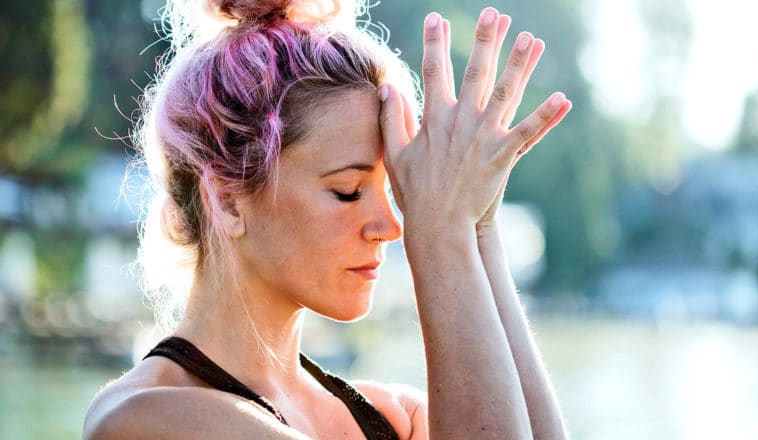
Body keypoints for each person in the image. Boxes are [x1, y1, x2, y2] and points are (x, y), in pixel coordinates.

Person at [83, 0, 572, 438]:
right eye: (349, 191)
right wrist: (441, 233)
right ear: (229, 201)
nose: (393, 225)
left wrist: (476, 223)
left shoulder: (394, 416)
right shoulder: (145, 418)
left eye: (394, 193)